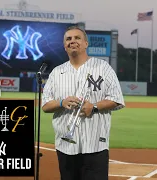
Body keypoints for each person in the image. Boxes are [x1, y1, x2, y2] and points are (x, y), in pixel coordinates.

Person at [41, 26, 125, 180]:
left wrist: (93, 107)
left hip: (95, 145)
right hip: (65, 146)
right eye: (68, 39)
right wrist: (61, 102)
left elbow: (116, 99)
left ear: (86, 43)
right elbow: (45, 106)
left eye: (77, 38)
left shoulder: (103, 68)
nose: (73, 41)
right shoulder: (56, 73)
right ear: (64, 46)